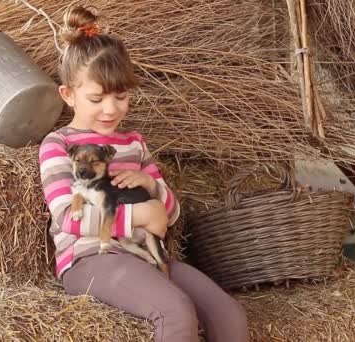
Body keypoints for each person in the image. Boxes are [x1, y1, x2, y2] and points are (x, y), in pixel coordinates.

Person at [38, 5, 250, 342]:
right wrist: (138, 214)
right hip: (93, 258)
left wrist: (153, 186)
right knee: (175, 310)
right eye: (97, 98)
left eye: (121, 96)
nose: (111, 108)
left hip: (148, 257)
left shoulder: (134, 144)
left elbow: (171, 215)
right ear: (69, 95)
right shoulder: (59, 145)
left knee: (229, 314)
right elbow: (68, 217)